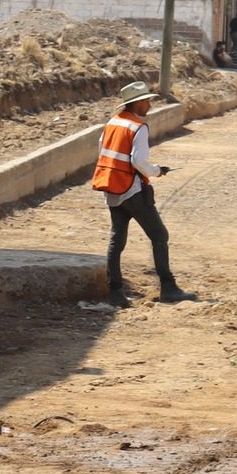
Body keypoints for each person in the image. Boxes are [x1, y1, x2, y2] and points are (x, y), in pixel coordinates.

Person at [90, 82, 196, 307]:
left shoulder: (113, 122)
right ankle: (168, 288)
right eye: (147, 101)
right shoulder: (138, 127)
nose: (149, 105)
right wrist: (156, 171)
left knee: (116, 240)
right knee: (159, 235)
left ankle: (116, 292)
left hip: (111, 187)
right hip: (132, 190)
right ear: (136, 103)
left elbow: (103, 151)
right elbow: (137, 161)